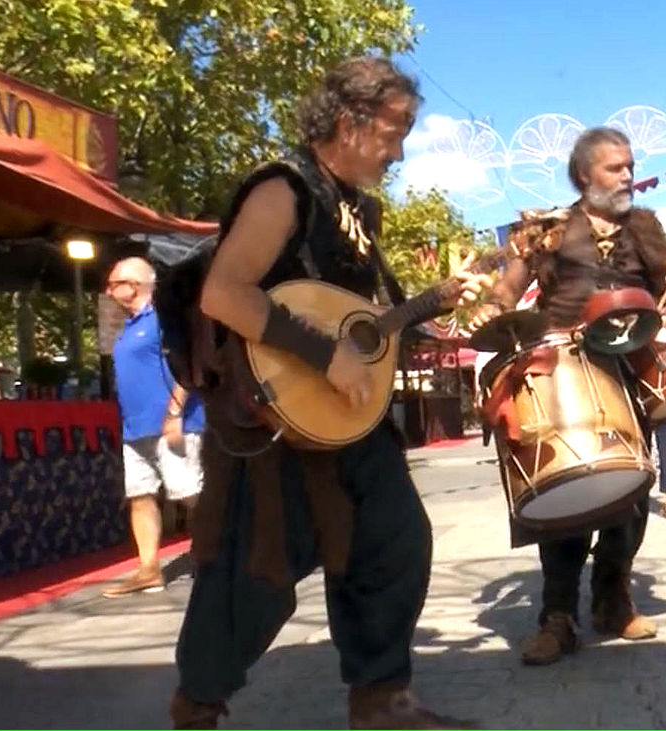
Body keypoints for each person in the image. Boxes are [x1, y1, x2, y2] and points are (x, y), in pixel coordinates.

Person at [167, 57, 491, 729]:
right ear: (349, 122)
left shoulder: (359, 211)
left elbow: (356, 322)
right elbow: (223, 293)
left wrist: (431, 307)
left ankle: (381, 702)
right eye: (395, 132)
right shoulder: (282, 190)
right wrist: (322, 354)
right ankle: (196, 704)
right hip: (272, 418)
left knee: (396, 540)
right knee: (253, 577)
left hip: (345, 418)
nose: (399, 152)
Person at [471, 126, 666, 666]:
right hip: (566, 369)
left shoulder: (646, 225)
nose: (628, 176)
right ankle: (557, 617)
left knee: (632, 496)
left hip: (632, 367)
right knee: (564, 489)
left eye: (630, 166)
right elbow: (509, 287)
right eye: (615, 168)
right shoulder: (547, 226)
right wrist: (494, 306)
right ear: (583, 175)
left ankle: (611, 599)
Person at [104, 256, 205, 598]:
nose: (108, 291)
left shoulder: (164, 317)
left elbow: (190, 362)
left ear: (134, 286)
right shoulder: (129, 327)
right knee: (140, 495)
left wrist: (175, 412)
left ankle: (218, 552)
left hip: (174, 423)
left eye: (114, 283)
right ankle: (148, 569)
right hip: (136, 429)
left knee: (189, 493)